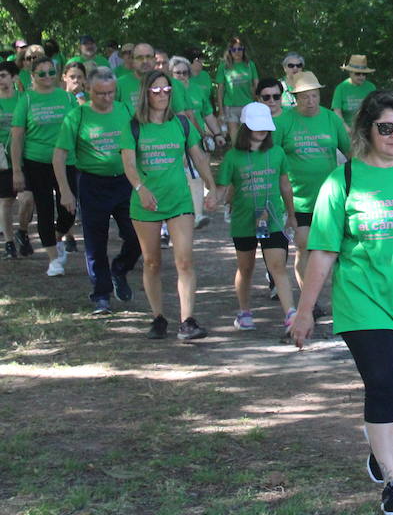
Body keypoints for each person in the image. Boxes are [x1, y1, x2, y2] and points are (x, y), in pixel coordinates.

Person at [289, 91, 393, 515]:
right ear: (367, 130)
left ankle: (380, 446)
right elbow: (323, 252)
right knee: (383, 383)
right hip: (363, 298)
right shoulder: (341, 181)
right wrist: (304, 311)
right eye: (386, 127)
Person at [120, 69, 219, 340]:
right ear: (146, 94)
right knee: (151, 262)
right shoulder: (133, 126)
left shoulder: (181, 124)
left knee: (185, 261)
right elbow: (128, 163)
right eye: (156, 90)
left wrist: (211, 185)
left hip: (179, 201)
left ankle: (187, 321)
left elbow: (197, 157)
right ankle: (158, 317)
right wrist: (141, 190)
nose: (162, 95)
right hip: (146, 203)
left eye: (167, 90)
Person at [53, 67, 139, 314]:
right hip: (92, 184)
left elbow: (140, 141)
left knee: (136, 236)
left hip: (125, 181)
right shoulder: (77, 116)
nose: (107, 98)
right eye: (101, 93)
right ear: (89, 90)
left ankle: (119, 270)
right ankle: (101, 294)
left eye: (111, 92)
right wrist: (65, 190)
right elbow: (59, 155)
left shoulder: (124, 110)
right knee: (95, 242)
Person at [217, 101, 296, 331]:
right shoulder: (233, 157)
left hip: (271, 218)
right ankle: (244, 312)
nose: (262, 131)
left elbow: (285, 186)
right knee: (246, 267)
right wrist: (214, 198)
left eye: (265, 126)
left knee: (277, 266)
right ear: (245, 127)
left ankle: (290, 314)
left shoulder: (278, 152)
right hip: (243, 220)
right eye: (256, 126)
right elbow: (224, 187)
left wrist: (291, 215)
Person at [275, 71, 350, 301]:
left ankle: (340, 298)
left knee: (334, 250)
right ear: (295, 97)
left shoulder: (331, 119)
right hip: (297, 199)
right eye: (305, 97)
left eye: (315, 96)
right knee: (305, 246)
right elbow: (274, 159)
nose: (311, 101)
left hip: (329, 198)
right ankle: (311, 300)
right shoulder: (284, 122)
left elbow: (350, 152)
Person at [9, 56, 78, 276]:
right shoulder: (27, 100)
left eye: (51, 72)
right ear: (32, 76)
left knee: (69, 210)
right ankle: (53, 259)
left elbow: (80, 130)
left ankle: (56, 237)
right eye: (42, 73)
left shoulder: (67, 98)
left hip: (67, 161)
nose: (47, 77)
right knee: (45, 209)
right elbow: (17, 137)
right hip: (36, 162)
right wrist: (17, 170)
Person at [170, 55, 223, 228]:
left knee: (196, 176)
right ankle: (177, 216)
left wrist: (216, 134)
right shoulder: (168, 90)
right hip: (177, 138)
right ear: (171, 74)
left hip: (197, 139)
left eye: (185, 72)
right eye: (177, 73)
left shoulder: (196, 89)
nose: (182, 76)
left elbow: (207, 113)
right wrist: (203, 133)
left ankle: (197, 215)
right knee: (183, 176)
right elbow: (188, 115)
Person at [216, 36, 260, 141]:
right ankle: (236, 154)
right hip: (230, 106)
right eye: (234, 49)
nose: (237, 52)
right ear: (229, 51)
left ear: (243, 50)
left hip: (248, 104)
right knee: (234, 137)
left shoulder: (249, 65)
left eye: (240, 49)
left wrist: (259, 103)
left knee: (248, 135)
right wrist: (221, 111)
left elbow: (257, 85)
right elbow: (220, 90)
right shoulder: (224, 66)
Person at [0, 63, 19, 257]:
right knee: (6, 201)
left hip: (25, 156)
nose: (0, 79)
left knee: (28, 200)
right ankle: (9, 242)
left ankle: (22, 230)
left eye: (4, 75)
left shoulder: (23, 99)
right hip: (3, 160)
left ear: (14, 78)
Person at [332, 55, 378, 127]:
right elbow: (337, 112)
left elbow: (375, 109)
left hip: (366, 128)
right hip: (346, 128)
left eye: (364, 74)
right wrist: (346, 129)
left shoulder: (371, 87)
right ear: (350, 72)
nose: (361, 77)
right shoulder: (341, 88)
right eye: (358, 74)